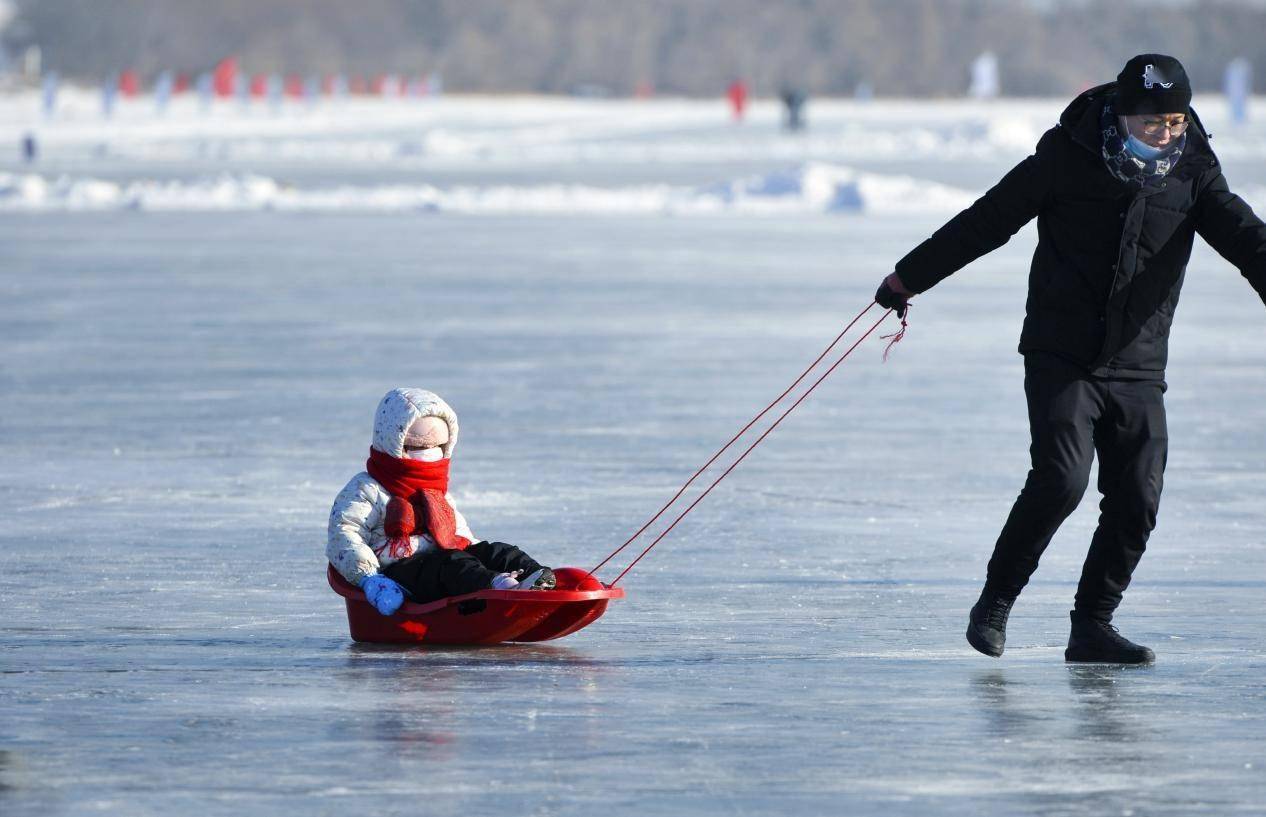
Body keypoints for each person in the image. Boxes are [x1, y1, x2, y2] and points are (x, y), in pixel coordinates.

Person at [875, 54, 1266, 664]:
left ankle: (1092, 629)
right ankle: (997, 602)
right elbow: (987, 220)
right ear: (1121, 116)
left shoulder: (1193, 171)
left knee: (1138, 497)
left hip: (1139, 362)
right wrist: (909, 278)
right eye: (1151, 123)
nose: (1164, 134)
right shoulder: (1069, 155)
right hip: (1062, 354)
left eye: (1175, 121)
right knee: (1062, 478)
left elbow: (1247, 239)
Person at [327, 388, 555, 616]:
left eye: (436, 447)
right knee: (453, 565)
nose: (429, 453)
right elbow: (344, 534)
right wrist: (369, 578)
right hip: (399, 571)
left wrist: (481, 553)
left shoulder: (436, 488)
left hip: (443, 556)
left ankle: (538, 579)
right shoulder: (369, 488)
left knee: (495, 551)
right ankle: (495, 587)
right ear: (396, 444)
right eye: (418, 447)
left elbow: (459, 533)